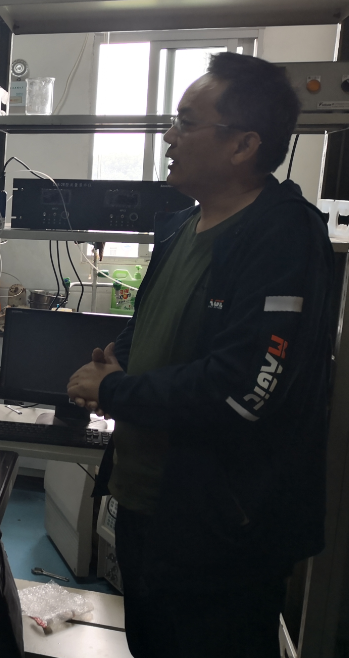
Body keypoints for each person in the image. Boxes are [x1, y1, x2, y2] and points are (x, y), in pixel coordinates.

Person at [67, 52, 334, 657]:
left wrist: (113, 390)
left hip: (223, 529)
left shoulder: (284, 236)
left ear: (243, 145)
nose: (169, 136)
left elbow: (243, 389)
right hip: (146, 505)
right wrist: (117, 359)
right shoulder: (178, 227)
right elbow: (150, 325)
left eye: (186, 123)